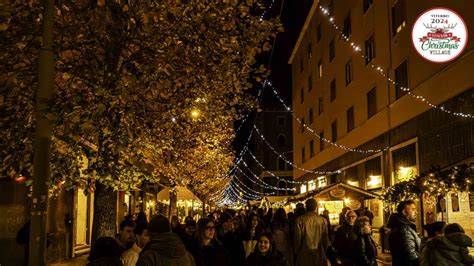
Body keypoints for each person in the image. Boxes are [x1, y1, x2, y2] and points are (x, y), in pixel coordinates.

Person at [294, 198, 329, 266]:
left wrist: (297, 250)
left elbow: (297, 238)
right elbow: (325, 238)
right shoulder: (323, 220)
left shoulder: (300, 220)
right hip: (319, 252)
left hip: (305, 252)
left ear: (306, 207)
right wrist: (324, 249)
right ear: (316, 207)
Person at [387, 200, 421, 266]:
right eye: (413, 210)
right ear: (404, 212)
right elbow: (410, 256)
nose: (416, 212)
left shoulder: (401, 227)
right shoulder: (404, 230)